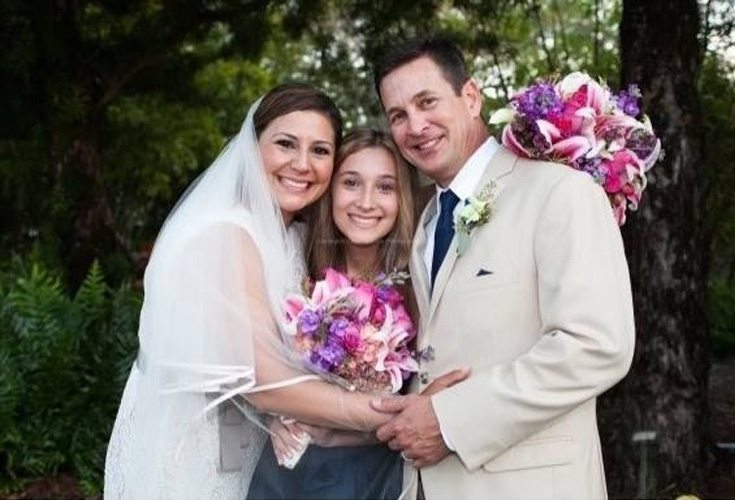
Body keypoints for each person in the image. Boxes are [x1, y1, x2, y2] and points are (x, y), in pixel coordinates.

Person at [369, 37, 636, 499]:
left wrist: (449, 421)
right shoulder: (425, 221)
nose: (415, 125)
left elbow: (597, 346)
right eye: (397, 115)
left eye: (427, 101)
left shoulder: (559, 192)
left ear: (470, 97)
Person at [104, 85, 388, 499]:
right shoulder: (225, 233)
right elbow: (262, 378)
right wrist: (386, 414)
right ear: (251, 148)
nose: (302, 164)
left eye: (321, 150)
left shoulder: (294, 236)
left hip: (252, 453)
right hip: (194, 450)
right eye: (285, 144)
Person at [246, 128, 421, 499]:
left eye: (385, 187)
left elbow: (423, 407)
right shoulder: (293, 267)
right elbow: (249, 372)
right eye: (352, 183)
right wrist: (275, 420)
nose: (366, 202)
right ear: (331, 191)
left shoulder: (418, 286)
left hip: (374, 479)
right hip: (286, 475)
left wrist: (333, 429)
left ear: (402, 198)